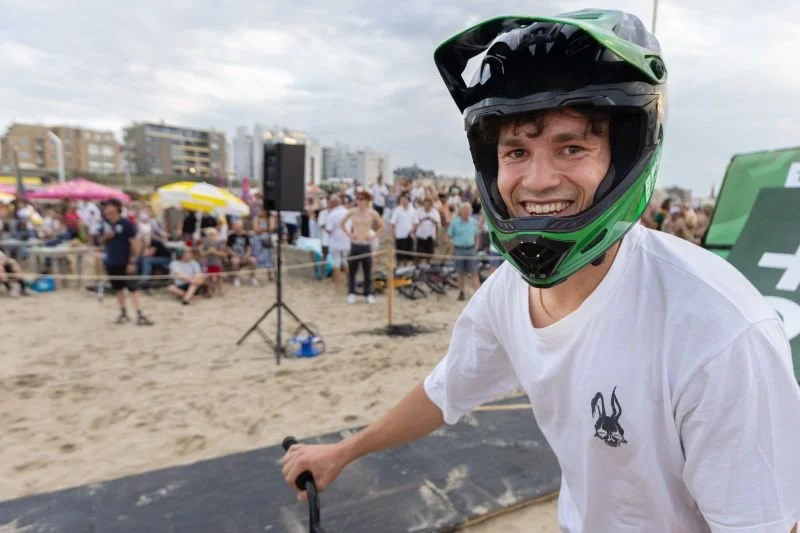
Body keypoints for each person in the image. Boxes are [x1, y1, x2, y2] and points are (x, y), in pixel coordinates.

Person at [281, 10, 800, 533]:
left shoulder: (718, 331)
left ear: (624, 158)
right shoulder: (509, 292)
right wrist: (344, 452)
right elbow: (445, 392)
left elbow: (760, 523)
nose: (538, 179)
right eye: (516, 151)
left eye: (571, 147)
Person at [101, 199, 153, 325]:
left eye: (109, 206)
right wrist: (105, 237)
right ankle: (123, 312)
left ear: (116, 208)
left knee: (132, 288)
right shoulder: (105, 223)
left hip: (125, 260)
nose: (106, 209)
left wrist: (132, 261)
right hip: (112, 261)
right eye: (106, 207)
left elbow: (135, 243)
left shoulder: (126, 224)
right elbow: (101, 241)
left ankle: (139, 313)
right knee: (118, 288)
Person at [340, 190, 384, 304]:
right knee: (352, 271)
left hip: (366, 245)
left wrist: (373, 236)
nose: (359, 201)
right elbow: (341, 223)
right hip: (355, 244)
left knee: (367, 271)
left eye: (362, 199)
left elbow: (381, 226)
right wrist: (349, 234)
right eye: (358, 198)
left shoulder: (372, 213)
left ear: (367, 201)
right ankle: (351, 293)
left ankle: (368, 294)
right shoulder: (352, 211)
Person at [447, 202, 480, 301]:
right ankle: (461, 292)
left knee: (474, 272)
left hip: (471, 250)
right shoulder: (455, 222)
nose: (466, 212)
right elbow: (448, 236)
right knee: (460, 273)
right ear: (460, 211)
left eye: (468, 210)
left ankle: (478, 294)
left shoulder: (474, 222)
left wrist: (476, 247)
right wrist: (452, 249)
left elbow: (477, 235)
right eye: (464, 209)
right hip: (459, 250)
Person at [325, 195, 350, 287]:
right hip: (346, 240)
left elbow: (329, 229)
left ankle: (337, 284)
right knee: (346, 261)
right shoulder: (347, 212)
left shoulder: (333, 214)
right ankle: (349, 281)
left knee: (336, 263)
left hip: (336, 241)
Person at [226, 220, 257, 287]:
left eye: (239, 226)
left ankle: (252, 278)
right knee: (235, 261)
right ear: (234, 227)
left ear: (242, 227)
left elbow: (249, 248)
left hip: (244, 255)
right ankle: (236, 279)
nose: (238, 228)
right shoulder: (231, 236)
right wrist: (235, 255)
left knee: (253, 260)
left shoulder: (246, 236)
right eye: (236, 226)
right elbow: (228, 249)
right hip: (235, 255)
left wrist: (246, 255)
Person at [389, 192, 417, 266]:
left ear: (408, 200)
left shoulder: (413, 210)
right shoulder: (397, 210)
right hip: (400, 235)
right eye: (402, 199)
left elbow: (415, 222)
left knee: (408, 255)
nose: (403, 200)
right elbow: (393, 223)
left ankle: (406, 269)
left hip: (409, 235)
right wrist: (394, 233)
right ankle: (400, 269)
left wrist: (412, 230)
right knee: (400, 255)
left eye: (405, 199)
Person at [412, 196, 441, 264]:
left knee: (429, 254)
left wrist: (431, 218)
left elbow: (438, 223)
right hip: (420, 235)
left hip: (430, 236)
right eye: (426, 204)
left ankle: (428, 266)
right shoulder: (419, 211)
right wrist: (423, 219)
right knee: (419, 254)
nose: (427, 206)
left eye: (429, 204)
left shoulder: (435, 212)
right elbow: (415, 222)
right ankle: (418, 266)